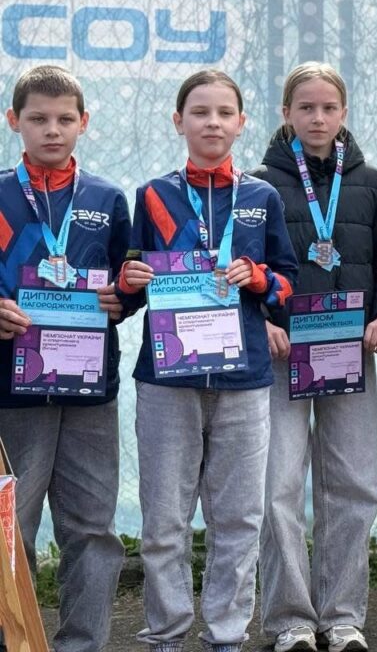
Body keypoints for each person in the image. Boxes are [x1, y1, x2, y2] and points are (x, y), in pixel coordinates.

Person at [117, 70, 298, 652]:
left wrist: (261, 279)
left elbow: (288, 286)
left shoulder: (262, 197)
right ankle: (167, 632)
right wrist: (128, 281)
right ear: (179, 122)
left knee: (239, 517)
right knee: (164, 517)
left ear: (241, 123)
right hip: (166, 380)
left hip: (244, 378)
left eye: (224, 113)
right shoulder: (152, 195)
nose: (212, 122)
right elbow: (128, 288)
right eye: (200, 112)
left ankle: (226, 634)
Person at [251, 62, 377, 652]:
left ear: (344, 113)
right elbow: (246, 269)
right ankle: (290, 619)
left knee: (354, 485)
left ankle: (342, 617)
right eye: (306, 107)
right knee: (277, 488)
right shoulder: (257, 185)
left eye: (328, 108)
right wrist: (264, 321)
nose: (318, 118)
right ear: (286, 113)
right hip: (283, 354)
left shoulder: (374, 184)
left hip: (351, 352)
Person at [0, 64, 130, 652]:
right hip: (13, 391)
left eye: (64, 119)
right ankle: (15, 642)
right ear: (14, 121)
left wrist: (123, 298)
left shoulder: (107, 197)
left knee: (92, 529)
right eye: (38, 119)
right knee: (10, 528)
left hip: (90, 392)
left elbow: (130, 280)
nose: (52, 130)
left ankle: (83, 643)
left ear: (84, 122)